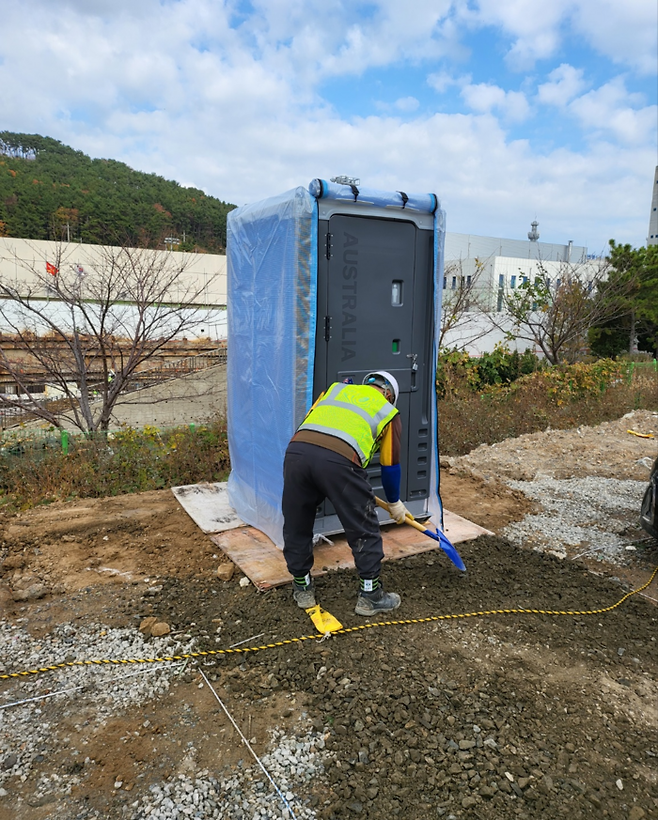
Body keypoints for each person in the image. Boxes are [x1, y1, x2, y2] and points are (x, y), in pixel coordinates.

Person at [281, 370, 412, 616]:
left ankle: (302, 588)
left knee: (297, 522)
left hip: (297, 453)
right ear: (390, 395)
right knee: (363, 527)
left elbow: (312, 422)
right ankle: (370, 596)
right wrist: (394, 502)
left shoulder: (335, 390)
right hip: (340, 460)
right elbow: (390, 465)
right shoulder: (387, 412)